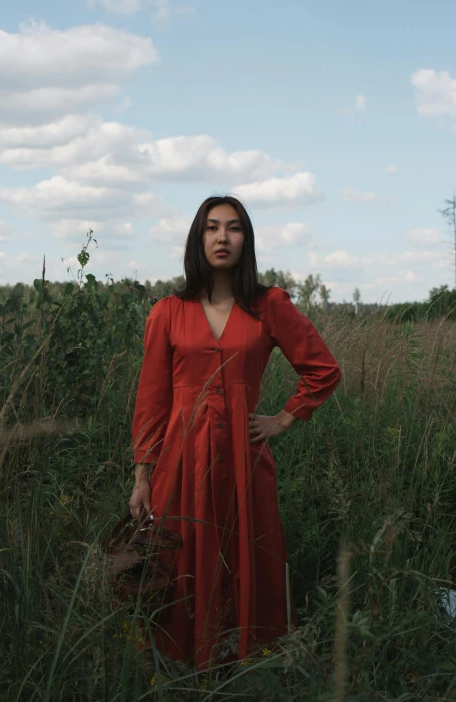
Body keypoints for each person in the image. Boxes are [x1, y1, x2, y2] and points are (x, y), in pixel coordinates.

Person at [129, 195, 342, 669]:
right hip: (180, 465)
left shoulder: (268, 305)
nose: (222, 237)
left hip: (246, 461)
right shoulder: (168, 311)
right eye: (211, 228)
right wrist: (142, 476)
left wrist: (284, 417)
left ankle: (249, 667)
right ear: (197, 238)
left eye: (233, 228)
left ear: (246, 239)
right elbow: (152, 400)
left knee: (251, 560)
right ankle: (181, 668)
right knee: (179, 562)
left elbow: (323, 369)